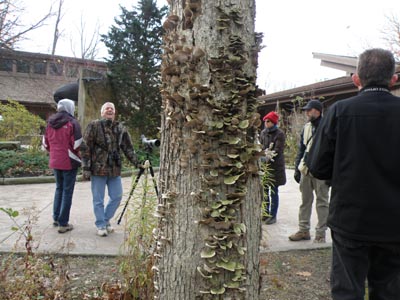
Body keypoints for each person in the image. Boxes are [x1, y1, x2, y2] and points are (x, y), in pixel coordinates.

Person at [308, 48, 400, 299]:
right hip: (394, 223)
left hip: (351, 219)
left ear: (357, 78)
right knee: (390, 291)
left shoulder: (339, 111)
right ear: (393, 79)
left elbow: (317, 166)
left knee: (347, 291)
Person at [81, 102, 138, 237]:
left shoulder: (120, 128)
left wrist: (137, 162)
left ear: (115, 112)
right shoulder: (94, 126)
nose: (109, 110)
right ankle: (101, 225)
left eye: (112, 108)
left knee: (117, 196)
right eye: (106, 108)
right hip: (98, 169)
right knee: (98, 199)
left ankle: (105, 220)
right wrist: (86, 167)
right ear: (102, 112)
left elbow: (128, 148)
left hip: (114, 169)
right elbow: (85, 148)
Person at [289, 99, 329, 243]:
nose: (306, 112)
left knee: (322, 202)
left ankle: (320, 234)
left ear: (317, 111)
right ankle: (303, 230)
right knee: (305, 201)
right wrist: (297, 168)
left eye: (309, 110)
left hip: (321, 171)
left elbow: (333, 150)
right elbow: (302, 148)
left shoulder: (327, 126)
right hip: (306, 169)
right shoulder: (306, 127)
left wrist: (330, 173)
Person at [43, 98, 82, 234]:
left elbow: (45, 144)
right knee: (67, 191)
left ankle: (56, 217)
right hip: (69, 161)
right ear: (70, 108)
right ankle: (63, 223)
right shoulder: (72, 122)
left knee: (59, 188)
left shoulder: (49, 123)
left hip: (55, 160)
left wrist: (55, 152)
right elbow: (77, 143)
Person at [259, 111, 286, 225]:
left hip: (275, 167)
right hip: (264, 167)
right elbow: (260, 144)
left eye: (268, 121)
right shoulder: (263, 133)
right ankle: (265, 213)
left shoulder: (279, 134)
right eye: (265, 121)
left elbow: (278, 149)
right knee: (264, 191)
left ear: (273, 122)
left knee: (273, 192)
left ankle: (273, 215)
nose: (266, 123)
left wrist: (268, 156)